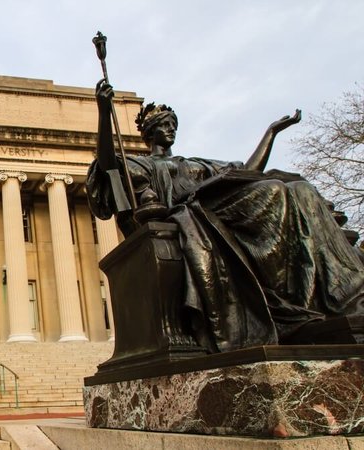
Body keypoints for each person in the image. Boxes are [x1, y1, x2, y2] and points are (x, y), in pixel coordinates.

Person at [86, 81, 364, 353]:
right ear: (149, 132)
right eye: (164, 125)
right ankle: (291, 300)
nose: (170, 129)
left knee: (300, 188)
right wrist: (104, 113)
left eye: (173, 125)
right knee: (276, 190)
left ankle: (341, 293)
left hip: (222, 211)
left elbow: (249, 171)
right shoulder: (139, 165)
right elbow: (108, 166)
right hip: (193, 215)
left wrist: (271, 133)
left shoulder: (198, 164)